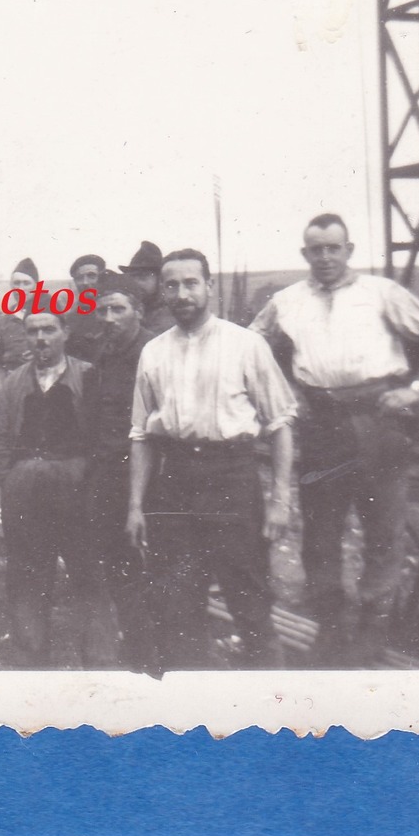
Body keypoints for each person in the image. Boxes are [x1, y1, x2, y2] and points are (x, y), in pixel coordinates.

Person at [249, 212, 419, 664]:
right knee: (320, 535)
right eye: (316, 249)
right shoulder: (287, 300)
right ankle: (330, 628)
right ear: (305, 254)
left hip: (378, 422)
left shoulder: (381, 293)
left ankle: (369, 633)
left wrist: (415, 389)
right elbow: (250, 345)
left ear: (349, 251)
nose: (325, 257)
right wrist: (284, 394)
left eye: (333, 248)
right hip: (321, 424)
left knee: (382, 532)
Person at [126, 248, 297, 669]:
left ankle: (272, 711)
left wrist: (280, 500)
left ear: (209, 286)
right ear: (162, 292)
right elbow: (141, 434)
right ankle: (192, 712)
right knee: (176, 604)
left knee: (249, 597)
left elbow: (280, 424)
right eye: (172, 285)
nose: (181, 293)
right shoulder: (154, 352)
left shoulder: (246, 344)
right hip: (175, 482)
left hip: (232, 479)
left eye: (190, 283)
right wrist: (135, 506)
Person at [0, 311, 97, 665]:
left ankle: (100, 662)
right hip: (26, 490)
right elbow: (1, 440)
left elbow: (102, 440)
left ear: (65, 332)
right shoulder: (15, 383)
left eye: (49, 329)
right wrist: (13, 479)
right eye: (33, 331)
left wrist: (88, 482)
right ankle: (30, 662)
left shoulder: (88, 376)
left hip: (77, 489)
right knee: (27, 577)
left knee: (90, 575)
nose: (40, 338)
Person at [79, 272, 155, 669]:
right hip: (108, 472)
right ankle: (136, 649)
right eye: (102, 309)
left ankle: (154, 653)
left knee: (151, 564)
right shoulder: (104, 353)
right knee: (116, 562)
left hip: (150, 475)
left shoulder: (155, 352)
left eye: (118, 309)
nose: (108, 317)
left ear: (138, 312)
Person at [0, 257, 40, 394]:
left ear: (36, 286)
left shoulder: (48, 316)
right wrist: (2, 392)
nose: (21, 288)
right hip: (14, 387)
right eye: (16, 283)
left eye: (26, 283)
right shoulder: (3, 321)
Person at [120, 240, 174, 336]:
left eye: (142, 277)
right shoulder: (132, 309)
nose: (136, 283)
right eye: (133, 277)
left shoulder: (170, 314)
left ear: (160, 280)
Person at [65, 253, 109, 362]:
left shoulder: (114, 311)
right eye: (79, 278)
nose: (85, 282)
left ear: (102, 278)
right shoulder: (70, 319)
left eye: (92, 276)